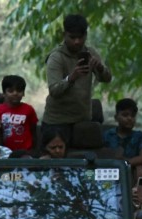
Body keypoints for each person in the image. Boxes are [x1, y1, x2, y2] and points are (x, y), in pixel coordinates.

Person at [41, 14, 112, 147]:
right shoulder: (56, 57)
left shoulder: (90, 53)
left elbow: (106, 79)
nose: (77, 42)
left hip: (82, 121)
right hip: (57, 122)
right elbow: (54, 90)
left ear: (85, 35)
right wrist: (71, 78)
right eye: (72, 37)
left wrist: (100, 67)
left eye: (80, 37)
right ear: (64, 35)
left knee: (84, 162)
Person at [103, 98, 142, 174]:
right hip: (110, 172)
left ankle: (136, 186)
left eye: (133, 116)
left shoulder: (140, 136)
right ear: (116, 118)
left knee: (140, 168)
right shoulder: (107, 135)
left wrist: (124, 163)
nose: (129, 118)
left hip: (130, 172)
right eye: (125, 115)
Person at [0, 74, 38, 154]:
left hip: (26, 150)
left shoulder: (29, 109)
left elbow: (33, 131)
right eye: (10, 91)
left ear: (23, 93)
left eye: (19, 90)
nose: (15, 93)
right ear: (4, 93)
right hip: (6, 151)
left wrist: (33, 150)